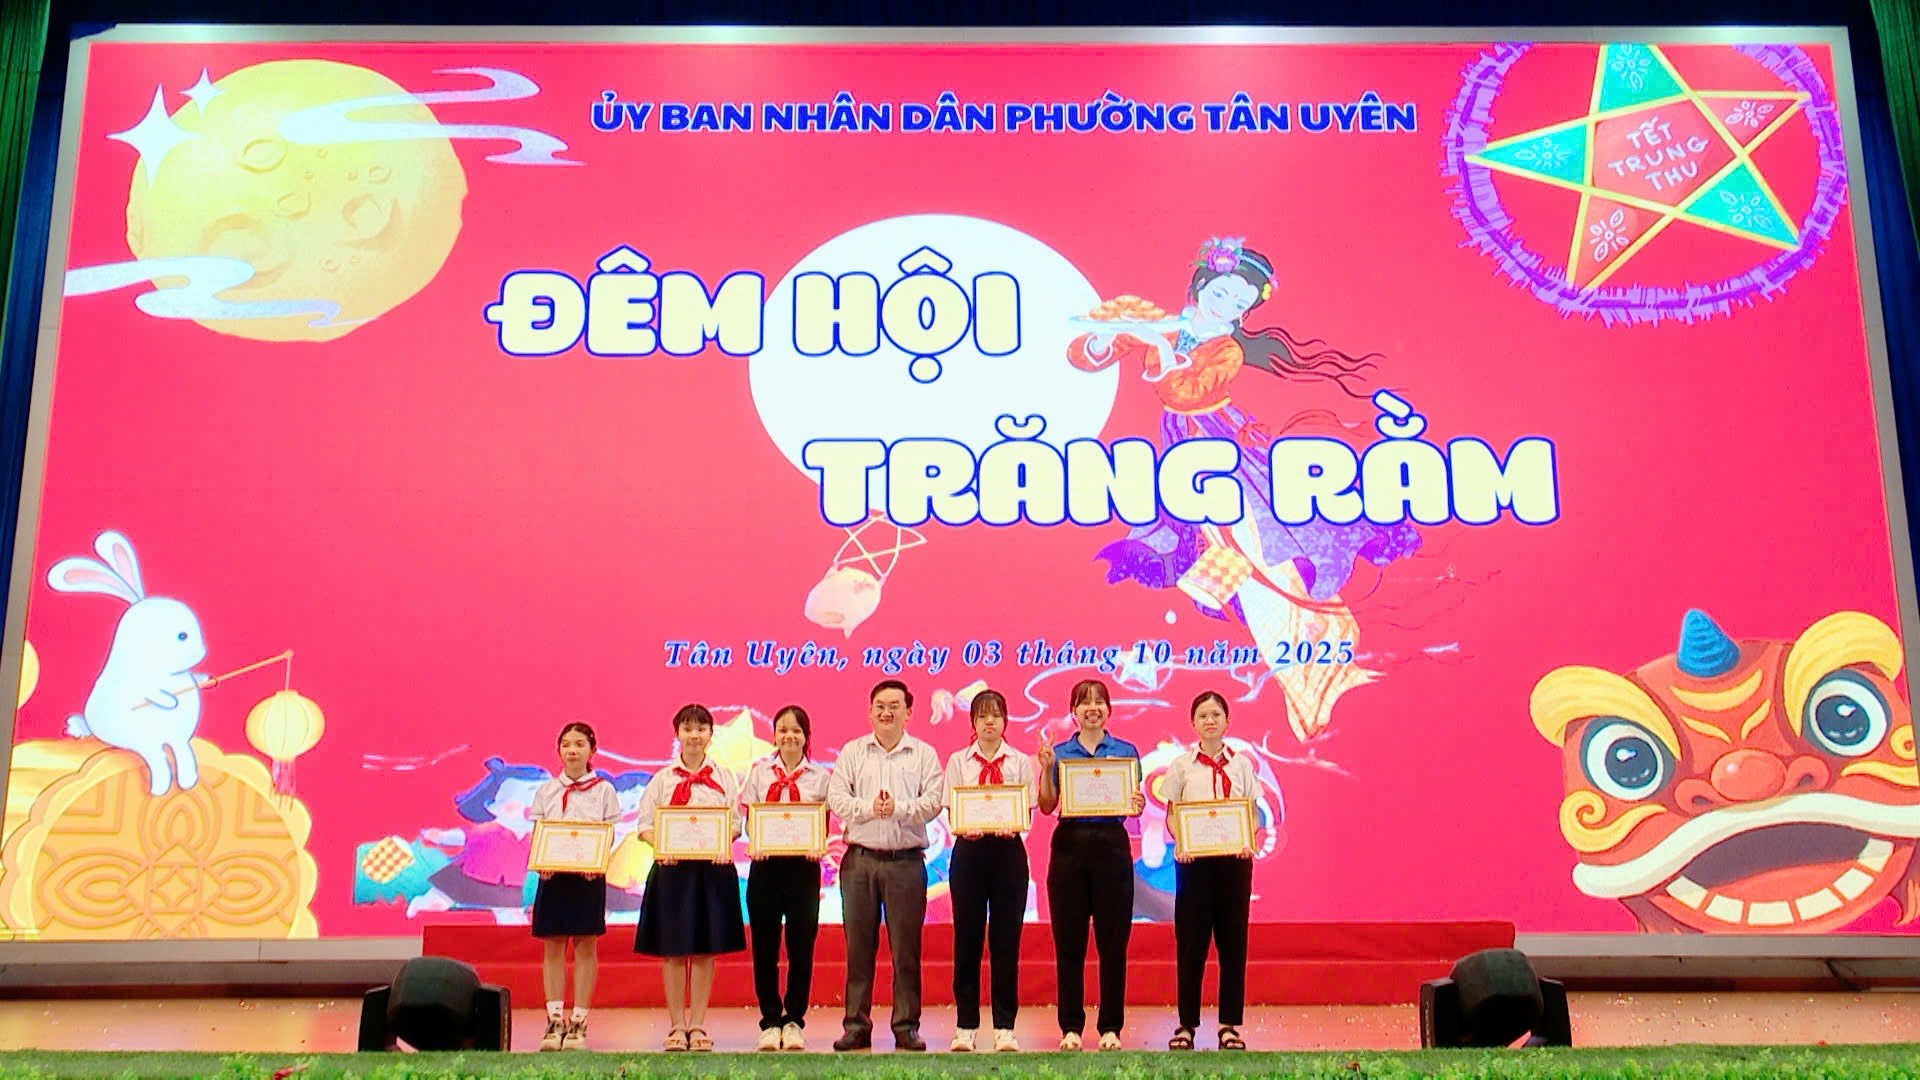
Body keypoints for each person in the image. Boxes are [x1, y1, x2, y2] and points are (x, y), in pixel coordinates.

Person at [826, 678, 945, 1052]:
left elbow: (934, 802)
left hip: (905, 862)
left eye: (895, 706)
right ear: (870, 711)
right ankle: (856, 1025)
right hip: (859, 861)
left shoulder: (923, 754)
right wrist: (868, 809)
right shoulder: (853, 752)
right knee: (858, 948)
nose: (886, 712)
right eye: (880, 706)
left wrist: (899, 808)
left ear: (909, 712)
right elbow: (836, 798)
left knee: (906, 950)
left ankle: (906, 1026)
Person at [1037, 678, 1146, 1051]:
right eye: (1085, 702)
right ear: (1074, 711)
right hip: (1069, 846)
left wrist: (1137, 804)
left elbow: (1132, 804)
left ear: (1109, 710)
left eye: (1100, 702)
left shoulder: (1126, 752)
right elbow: (1047, 805)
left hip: (1112, 846)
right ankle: (1070, 1027)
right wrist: (1046, 768)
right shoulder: (1060, 753)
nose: (1093, 708)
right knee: (1069, 942)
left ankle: (1110, 1027)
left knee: (1113, 942)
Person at [633, 704, 746, 1052]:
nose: (694, 735)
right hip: (672, 872)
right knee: (673, 950)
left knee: (704, 950)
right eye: (687, 728)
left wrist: (722, 841)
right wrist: (661, 845)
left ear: (711, 734)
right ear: (677, 734)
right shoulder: (662, 779)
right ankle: (676, 1025)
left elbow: (735, 824)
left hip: (712, 871)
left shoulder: (724, 777)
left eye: (701, 729)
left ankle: (697, 1024)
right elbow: (645, 826)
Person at [1162, 690, 1258, 1051]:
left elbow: (1250, 813)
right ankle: (1186, 1025)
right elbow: (1173, 815)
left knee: (1233, 945)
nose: (1210, 721)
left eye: (1216, 714)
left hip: (1234, 864)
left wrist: (1247, 839)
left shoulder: (1242, 765)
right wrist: (1181, 843)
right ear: (1193, 723)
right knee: (1191, 945)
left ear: (1227, 721)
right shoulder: (1181, 765)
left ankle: (1229, 1025)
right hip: (1194, 865)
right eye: (1203, 715)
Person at [942, 689, 1034, 1053]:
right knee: (967, 940)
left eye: (995, 715)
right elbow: (953, 807)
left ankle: (1004, 1027)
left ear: (1006, 720)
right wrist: (966, 825)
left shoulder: (1020, 761)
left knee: (1006, 941)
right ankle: (965, 1026)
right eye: (982, 716)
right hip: (969, 853)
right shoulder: (958, 761)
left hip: (1008, 853)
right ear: (973, 722)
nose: (989, 722)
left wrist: (1012, 824)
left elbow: (1026, 810)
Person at [529, 722, 622, 1051]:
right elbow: (539, 832)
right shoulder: (546, 791)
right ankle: (554, 1020)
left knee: (585, 946)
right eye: (566, 744)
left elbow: (610, 833)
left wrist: (595, 861)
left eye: (579, 744)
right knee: (553, 946)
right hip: (552, 877)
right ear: (558, 750)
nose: (572, 750)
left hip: (588, 878)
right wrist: (542, 860)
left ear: (592, 750)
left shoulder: (604, 790)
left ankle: (579, 1022)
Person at [741, 705, 828, 1051]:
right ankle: (769, 1020)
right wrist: (757, 842)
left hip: (803, 869)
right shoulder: (759, 773)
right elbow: (751, 819)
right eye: (783, 730)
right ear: (774, 735)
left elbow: (822, 822)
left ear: (806, 736)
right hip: (765, 868)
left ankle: (794, 1020)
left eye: (796, 730)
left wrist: (817, 844)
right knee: (764, 947)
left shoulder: (820, 777)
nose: (789, 736)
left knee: (801, 946)